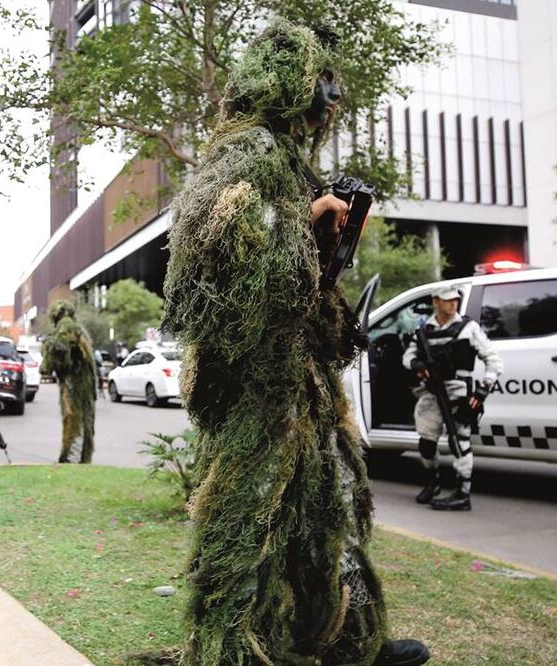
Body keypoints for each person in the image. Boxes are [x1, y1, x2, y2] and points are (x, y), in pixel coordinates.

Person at [162, 20, 429, 666]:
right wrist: (303, 219)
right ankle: (233, 650)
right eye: (323, 85)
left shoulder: (285, 157)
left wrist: (326, 239)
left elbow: (296, 273)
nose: (331, 102)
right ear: (287, 83)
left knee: (332, 504)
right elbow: (205, 275)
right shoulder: (245, 152)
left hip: (300, 375)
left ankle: (344, 636)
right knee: (246, 520)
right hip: (259, 384)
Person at [402, 288, 503, 511]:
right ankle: (433, 481)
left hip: (459, 391)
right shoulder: (424, 330)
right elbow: (408, 357)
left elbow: (494, 361)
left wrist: (482, 391)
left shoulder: (469, 328)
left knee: (459, 441)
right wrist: (417, 365)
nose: (453, 304)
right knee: (426, 442)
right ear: (436, 302)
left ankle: (462, 493)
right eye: (448, 301)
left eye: (456, 300)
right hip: (431, 391)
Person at [39, 300, 97, 463]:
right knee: (86, 422)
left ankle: (71, 459)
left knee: (73, 420)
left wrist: (46, 363)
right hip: (86, 385)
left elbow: (56, 352)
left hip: (73, 383)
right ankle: (83, 458)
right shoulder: (81, 330)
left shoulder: (64, 329)